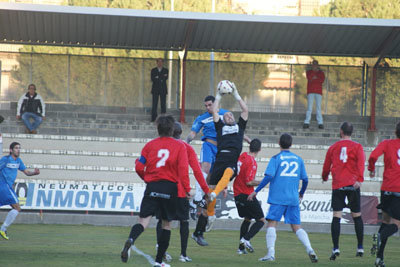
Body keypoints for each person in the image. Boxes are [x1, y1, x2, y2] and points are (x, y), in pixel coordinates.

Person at [120, 115, 189, 267]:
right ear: (172, 130)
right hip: (170, 188)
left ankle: (131, 239)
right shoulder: (180, 147)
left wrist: (146, 178)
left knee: (143, 222)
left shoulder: (149, 146)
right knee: (166, 225)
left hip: (152, 187)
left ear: (158, 129)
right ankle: (158, 262)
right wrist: (188, 189)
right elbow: (183, 170)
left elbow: (139, 166)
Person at [192, 82, 248, 246]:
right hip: (220, 160)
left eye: (231, 115)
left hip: (231, 160)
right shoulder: (220, 127)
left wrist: (236, 94)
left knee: (230, 172)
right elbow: (215, 111)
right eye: (227, 116)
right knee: (207, 200)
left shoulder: (239, 127)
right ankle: (200, 230)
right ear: (222, 120)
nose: (230, 116)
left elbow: (245, 111)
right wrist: (218, 95)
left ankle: (214, 195)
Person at [248, 133, 317, 263]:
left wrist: (256, 191)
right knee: (296, 226)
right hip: (293, 198)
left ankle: (271, 253)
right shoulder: (298, 159)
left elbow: (268, 177)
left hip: (278, 198)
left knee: (272, 223)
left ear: (279, 143)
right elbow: (306, 180)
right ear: (291, 144)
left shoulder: (276, 159)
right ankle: (310, 250)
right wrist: (301, 193)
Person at [155, 122, 210, 263]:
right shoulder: (186, 147)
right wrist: (205, 189)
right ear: (180, 133)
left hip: (164, 189)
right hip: (180, 191)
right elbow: (197, 171)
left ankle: (162, 251)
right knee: (184, 222)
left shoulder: (162, 146)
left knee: (163, 221)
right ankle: (183, 254)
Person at [321, 122, 365, 260]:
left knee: (336, 216)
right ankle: (360, 247)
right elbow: (361, 163)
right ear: (351, 132)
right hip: (353, 184)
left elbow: (327, 165)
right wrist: (359, 179)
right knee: (357, 215)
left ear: (341, 131)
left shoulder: (333, 147)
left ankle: (335, 248)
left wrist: (325, 176)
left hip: (338, 184)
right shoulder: (358, 147)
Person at [185, 95, 228, 220]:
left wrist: (246, 139)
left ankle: (194, 204)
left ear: (216, 104)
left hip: (221, 150)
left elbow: (235, 129)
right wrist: (185, 142)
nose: (208, 107)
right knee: (206, 168)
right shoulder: (202, 118)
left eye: (210, 105)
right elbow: (193, 133)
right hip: (208, 146)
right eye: (206, 106)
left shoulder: (225, 114)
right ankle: (198, 196)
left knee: (210, 182)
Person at [368, 122, 400, 267]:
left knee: (386, 222)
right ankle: (379, 236)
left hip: (386, 188)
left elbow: (373, 156)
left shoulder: (387, 143)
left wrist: (371, 169)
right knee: (396, 224)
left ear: (395, 132)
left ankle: (379, 259)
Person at [0, 142, 40, 240]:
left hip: (8, 187)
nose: (18, 150)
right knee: (17, 207)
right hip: (4, 186)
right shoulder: (5, 160)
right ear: (11, 150)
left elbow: (26, 172)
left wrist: (34, 173)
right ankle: (3, 228)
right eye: (16, 148)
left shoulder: (18, 161)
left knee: (16, 208)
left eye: (19, 148)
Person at [233, 138, 265, 255]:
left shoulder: (243, 155)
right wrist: (263, 182)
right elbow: (249, 182)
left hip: (237, 193)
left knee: (247, 219)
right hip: (247, 195)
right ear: (260, 149)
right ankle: (246, 239)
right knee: (261, 220)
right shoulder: (252, 162)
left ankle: (240, 249)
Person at [303, 60, 325, 129]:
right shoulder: (308, 72)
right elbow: (309, 78)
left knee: (318, 108)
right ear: (312, 65)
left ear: (318, 65)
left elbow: (322, 80)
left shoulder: (321, 73)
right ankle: (307, 122)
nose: (315, 66)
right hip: (311, 91)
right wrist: (314, 73)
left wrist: (315, 78)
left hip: (318, 92)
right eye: (313, 64)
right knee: (309, 107)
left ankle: (320, 123)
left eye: (316, 64)